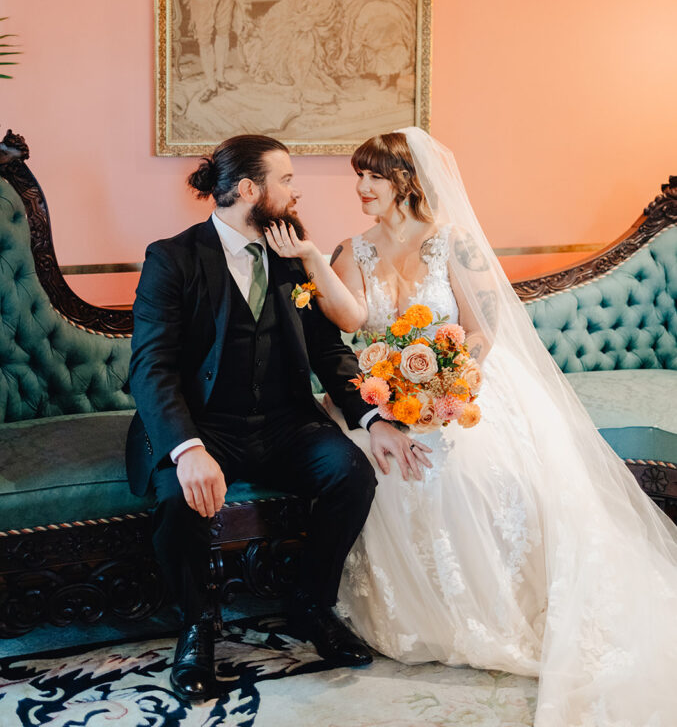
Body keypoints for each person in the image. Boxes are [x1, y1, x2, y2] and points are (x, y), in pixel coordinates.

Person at [265, 128, 677, 727]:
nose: (360, 188)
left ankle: (494, 608)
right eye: (359, 175)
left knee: (478, 466)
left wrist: (452, 385)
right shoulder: (353, 251)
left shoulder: (452, 243)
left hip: (465, 385)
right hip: (389, 396)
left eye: (372, 177)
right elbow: (351, 319)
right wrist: (310, 259)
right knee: (367, 462)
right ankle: (415, 613)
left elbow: (484, 328)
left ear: (405, 182)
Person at [125, 133, 431, 703]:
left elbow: (329, 351)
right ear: (247, 189)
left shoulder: (293, 254)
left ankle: (310, 604)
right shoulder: (173, 258)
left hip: (284, 423)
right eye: (286, 180)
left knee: (352, 473)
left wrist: (373, 421)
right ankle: (196, 626)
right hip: (203, 424)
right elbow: (151, 368)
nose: (296, 191)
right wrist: (188, 448)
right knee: (176, 496)